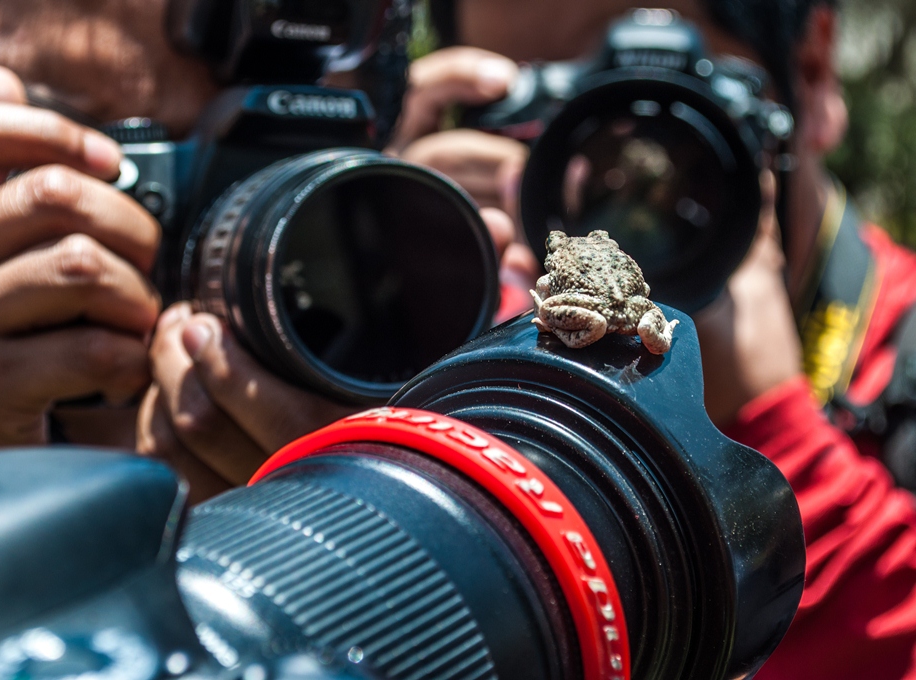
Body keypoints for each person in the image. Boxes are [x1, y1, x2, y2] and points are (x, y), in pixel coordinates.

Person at [388, 1, 916, 679]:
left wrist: (778, 444)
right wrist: (386, 356)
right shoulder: (480, 364)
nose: (620, 181)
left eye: (664, 114)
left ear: (810, 74)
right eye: (562, 114)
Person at [0, 0, 527, 488]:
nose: (204, 218)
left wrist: (388, 500)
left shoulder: (457, 379)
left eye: (273, 158)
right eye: (104, 144)